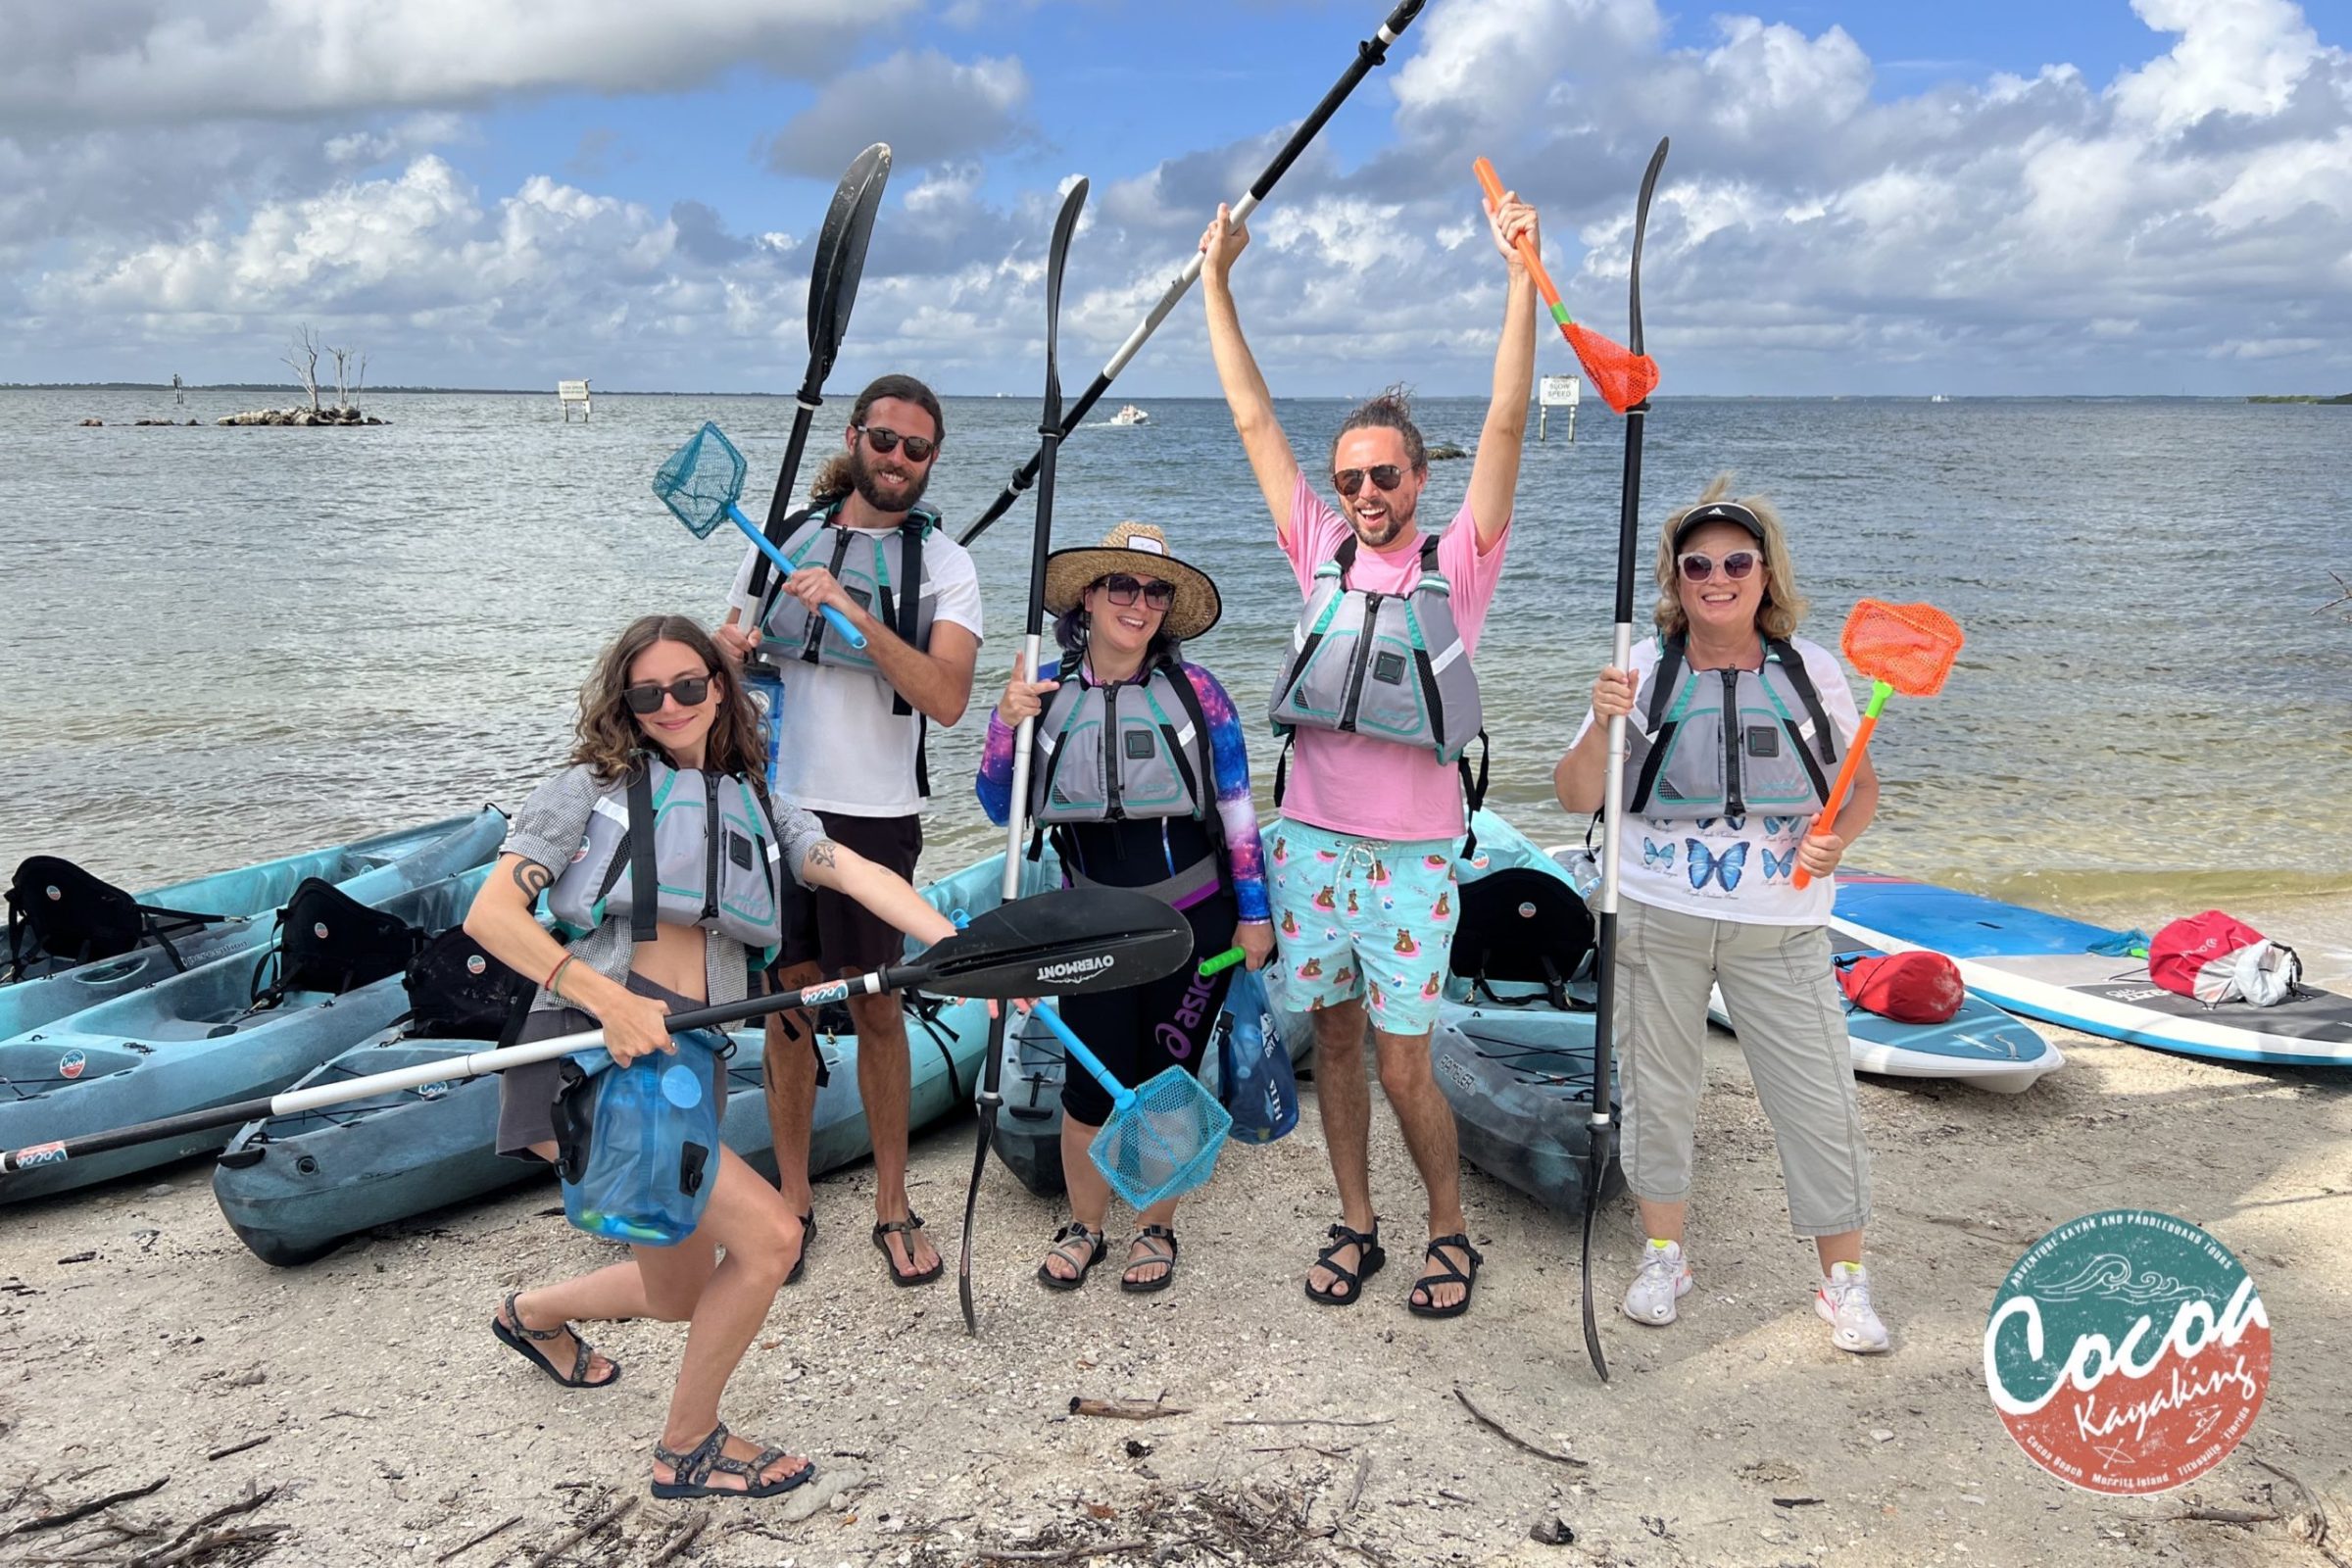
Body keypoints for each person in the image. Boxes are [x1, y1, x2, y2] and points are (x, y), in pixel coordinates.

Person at [466, 614, 958, 1497]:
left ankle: (529, 1315)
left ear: (721, 688)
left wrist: (959, 946)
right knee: (770, 1239)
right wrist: (608, 999)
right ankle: (686, 1447)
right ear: (625, 702)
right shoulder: (585, 788)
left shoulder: (761, 802)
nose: (670, 706)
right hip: (586, 1057)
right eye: (647, 693)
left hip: (677, 1062)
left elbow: (855, 872)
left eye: (689, 685)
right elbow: (491, 917)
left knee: (683, 1290)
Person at [1199, 187, 1540, 1318]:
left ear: (1417, 479)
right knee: (1335, 1044)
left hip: (1409, 861)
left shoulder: (1460, 562)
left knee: (1404, 1061)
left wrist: (1520, 278)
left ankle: (1450, 1228)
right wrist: (1217, 282)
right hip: (1312, 850)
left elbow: (1504, 420)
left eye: (1382, 476)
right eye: (1348, 480)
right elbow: (1252, 423)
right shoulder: (1321, 556)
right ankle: (1358, 1221)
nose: (1364, 495)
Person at [1551, 478, 1889, 1353]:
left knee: (1817, 1101)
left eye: (1737, 561)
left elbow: (1859, 790)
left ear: (1766, 573)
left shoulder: (1810, 670)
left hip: (1781, 926)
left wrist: (1837, 841)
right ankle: (1664, 1255)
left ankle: (1843, 1281)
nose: (1717, 577)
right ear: (1675, 577)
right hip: (1656, 916)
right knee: (1661, 1098)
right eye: (1697, 564)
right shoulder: (1638, 669)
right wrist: (1599, 725)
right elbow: (1573, 795)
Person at [711, 374, 983, 1288]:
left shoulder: (945, 565)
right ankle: (792, 1202)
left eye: (917, 448)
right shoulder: (782, 541)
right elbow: (727, 667)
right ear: (855, 437)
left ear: (932, 460)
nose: (897, 459)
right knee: (788, 1005)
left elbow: (945, 700)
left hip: (876, 814)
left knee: (875, 1003)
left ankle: (894, 1203)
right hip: (774, 804)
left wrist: (854, 610)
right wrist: (728, 653)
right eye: (884, 440)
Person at [976, 522, 1273, 1293]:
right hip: (1090, 925)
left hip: (1193, 923)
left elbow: (1238, 812)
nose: (1138, 604)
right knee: (1087, 1086)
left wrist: (1256, 914)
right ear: (1089, 596)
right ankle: (1086, 1226)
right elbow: (994, 806)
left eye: (1154, 591)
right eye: (1122, 586)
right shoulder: (1041, 688)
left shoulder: (1196, 693)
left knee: (1165, 1081)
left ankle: (1156, 1228)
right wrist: (1006, 725)